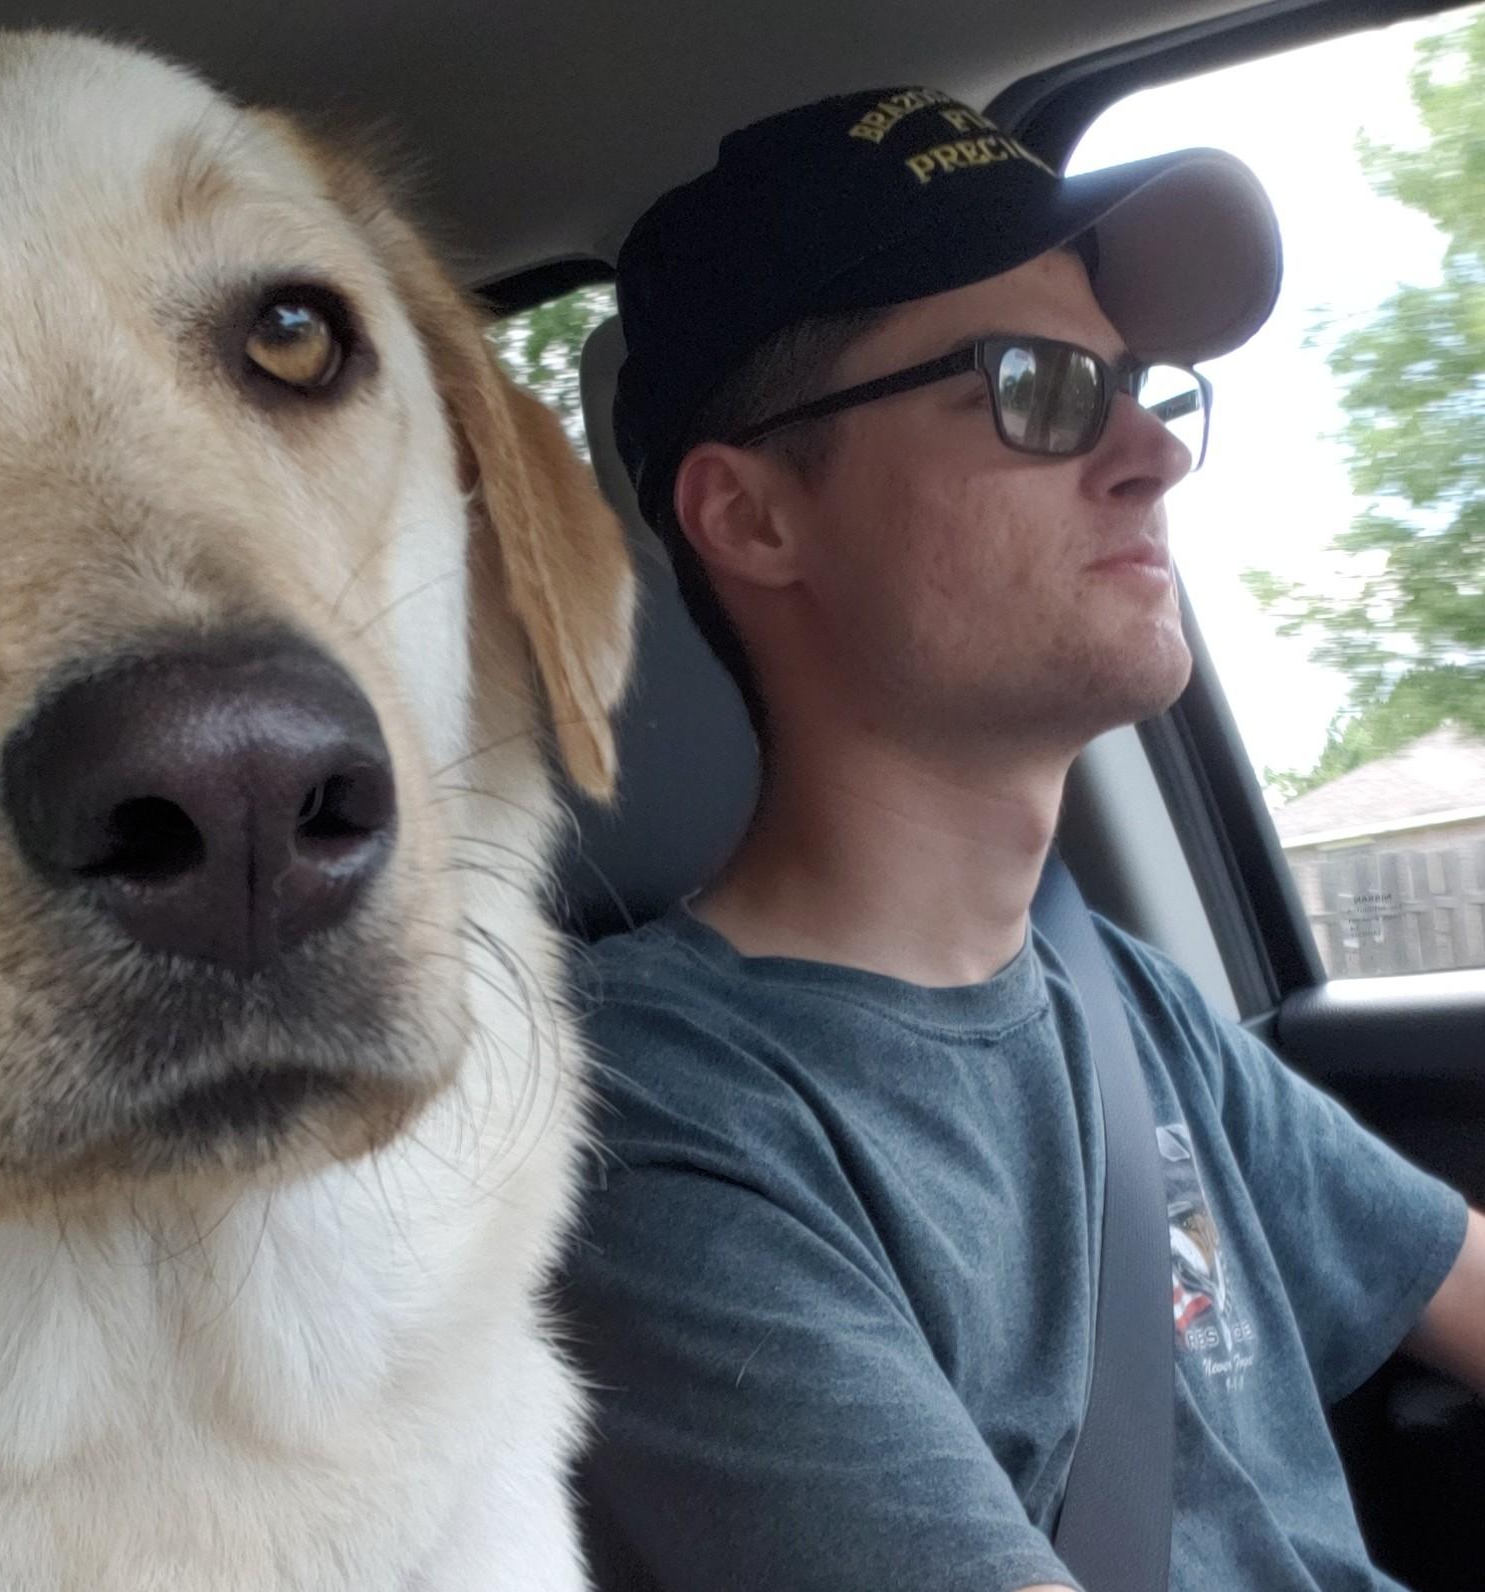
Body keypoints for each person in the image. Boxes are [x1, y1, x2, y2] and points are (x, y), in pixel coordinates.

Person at [561, 86, 1485, 1592]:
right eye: (1038, 386)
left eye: (1139, 385)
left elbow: (1459, 1280)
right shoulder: (652, 1124)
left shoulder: (1121, 996)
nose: (1153, 451)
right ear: (755, 518)